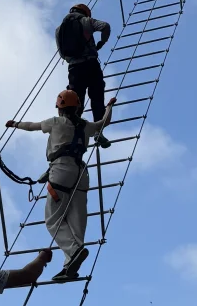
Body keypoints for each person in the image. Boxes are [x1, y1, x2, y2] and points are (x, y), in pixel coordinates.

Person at [6, 88, 115, 282]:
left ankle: (73, 252)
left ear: (59, 108)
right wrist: (109, 107)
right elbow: (103, 123)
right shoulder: (86, 125)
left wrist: (15, 124)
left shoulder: (55, 122)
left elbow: (32, 126)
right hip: (81, 174)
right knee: (77, 219)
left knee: (53, 219)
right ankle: (70, 263)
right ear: (78, 107)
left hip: (61, 171)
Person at [55, 3, 112, 146]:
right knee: (97, 96)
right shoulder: (86, 21)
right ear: (85, 13)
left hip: (74, 69)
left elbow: (62, 53)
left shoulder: (59, 29)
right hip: (91, 64)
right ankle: (98, 132)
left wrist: (73, 58)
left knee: (75, 100)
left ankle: (71, 132)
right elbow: (105, 26)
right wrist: (101, 42)